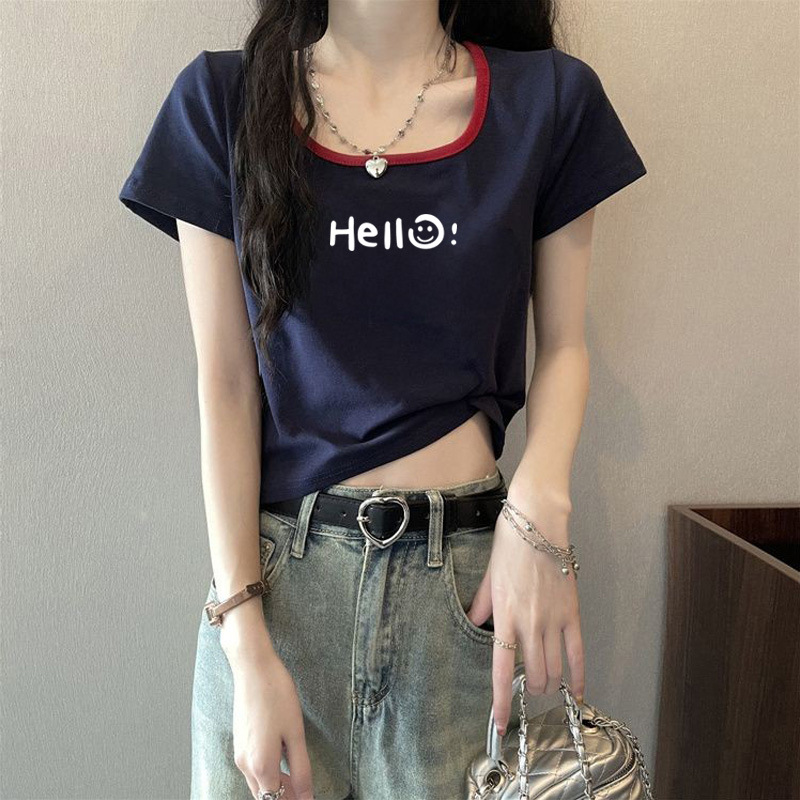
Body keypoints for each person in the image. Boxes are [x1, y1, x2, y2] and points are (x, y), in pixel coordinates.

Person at [118, 1, 647, 798]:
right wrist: (246, 642)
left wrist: (539, 511)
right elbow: (225, 383)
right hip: (278, 598)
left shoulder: (548, 102)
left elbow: (565, 348)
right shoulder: (223, 101)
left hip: (468, 595)